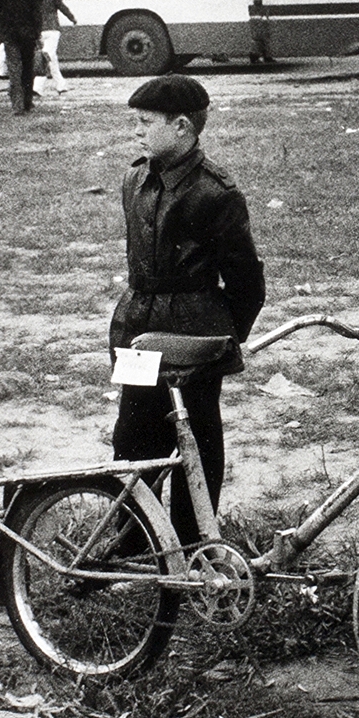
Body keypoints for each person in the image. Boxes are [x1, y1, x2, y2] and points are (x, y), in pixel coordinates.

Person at [111, 75, 264, 542]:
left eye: (145, 122)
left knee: (196, 438)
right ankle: (135, 540)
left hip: (193, 333)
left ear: (182, 127)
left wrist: (219, 337)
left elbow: (246, 282)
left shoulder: (215, 193)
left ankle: (195, 539)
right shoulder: (135, 178)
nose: (136, 131)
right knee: (134, 432)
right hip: (138, 329)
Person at [31, 0, 68, 96]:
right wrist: (72, 18)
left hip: (39, 30)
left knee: (48, 57)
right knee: (49, 57)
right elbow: (62, 7)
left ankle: (59, 85)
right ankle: (42, 87)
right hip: (52, 29)